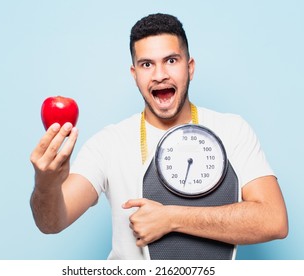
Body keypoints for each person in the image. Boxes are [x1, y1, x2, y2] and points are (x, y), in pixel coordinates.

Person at [29, 13, 288, 260]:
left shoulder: (232, 130)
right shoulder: (109, 143)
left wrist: (172, 218)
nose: (160, 74)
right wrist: (45, 181)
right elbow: (52, 222)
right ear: (135, 75)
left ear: (190, 67)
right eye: (146, 64)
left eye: (171, 61)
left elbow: (274, 220)